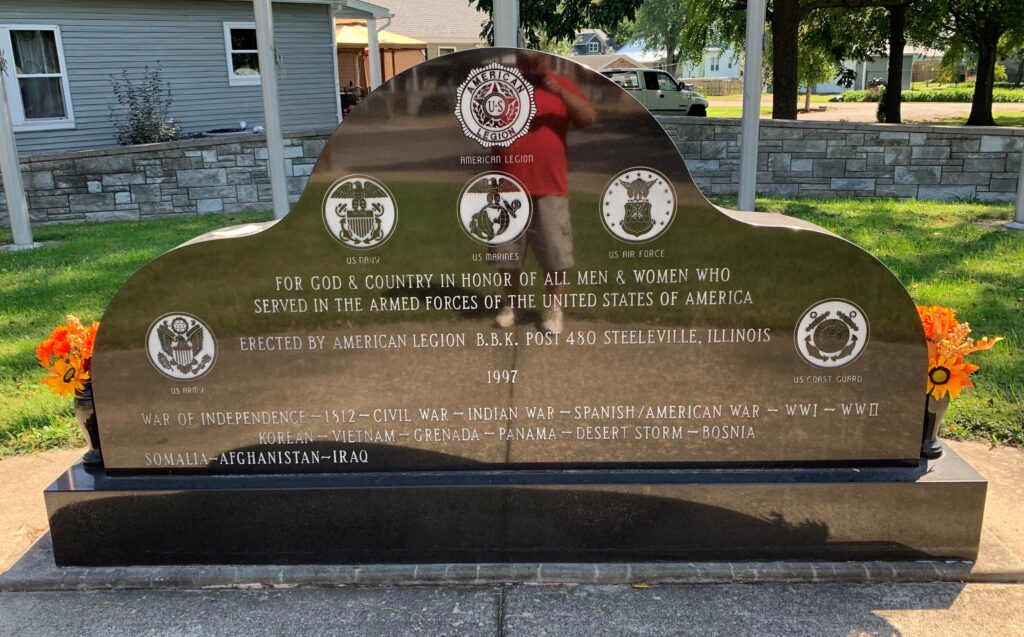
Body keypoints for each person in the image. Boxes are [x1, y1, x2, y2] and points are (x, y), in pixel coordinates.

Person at [492, 52, 596, 334]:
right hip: (508, 187)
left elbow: (588, 117)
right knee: (507, 254)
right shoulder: (502, 87)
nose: (532, 67)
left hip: (550, 186)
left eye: (537, 61)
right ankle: (511, 304)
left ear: (547, 60)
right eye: (526, 62)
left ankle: (553, 308)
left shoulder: (561, 86)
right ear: (519, 62)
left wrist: (559, 91)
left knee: (554, 255)